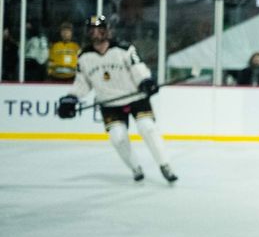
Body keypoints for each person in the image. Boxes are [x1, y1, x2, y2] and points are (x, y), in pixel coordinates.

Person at [55, 14, 178, 185]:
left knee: (147, 128)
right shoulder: (83, 56)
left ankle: (165, 165)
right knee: (117, 138)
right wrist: (71, 98)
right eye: (92, 30)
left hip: (135, 97)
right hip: (109, 103)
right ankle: (135, 168)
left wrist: (145, 81)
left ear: (107, 31)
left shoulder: (124, 49)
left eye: (100, 30)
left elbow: (138, 68)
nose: (96, 34)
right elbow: (82, 83)